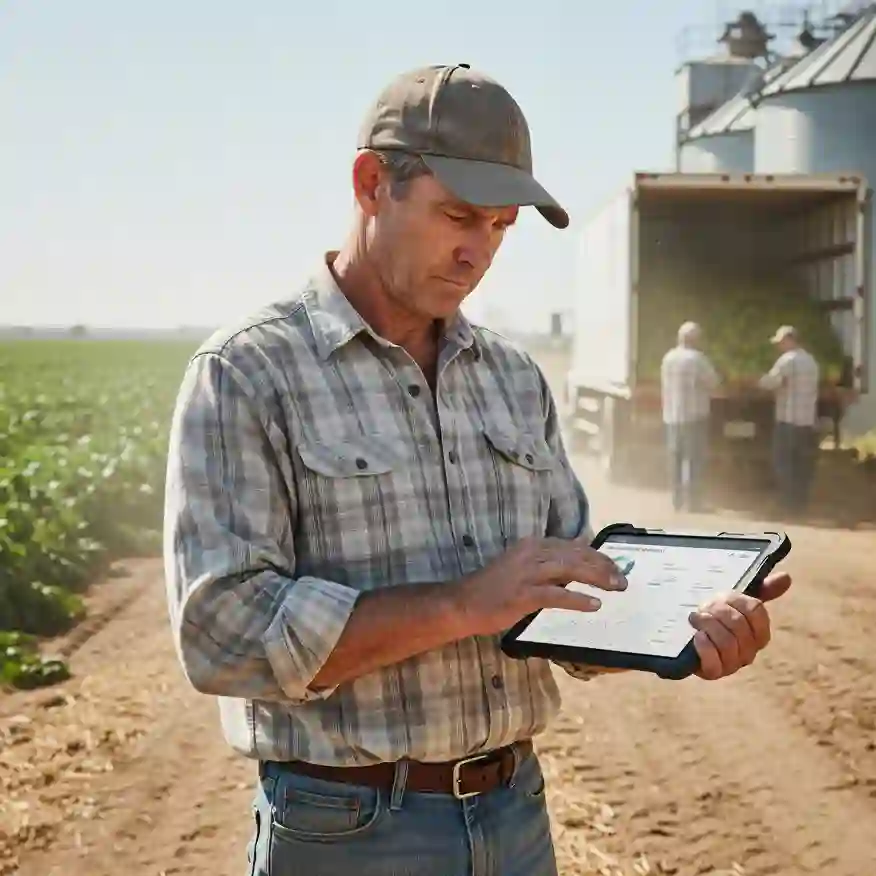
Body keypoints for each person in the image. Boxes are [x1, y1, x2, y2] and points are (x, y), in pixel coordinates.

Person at [163, 63, 793, 876]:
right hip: (346, 830)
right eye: (458, 215)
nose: (478, 252)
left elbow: (564, 600)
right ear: (369, 184)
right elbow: (222, 638)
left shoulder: (511, 376)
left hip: (515, 815)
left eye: (502, 226)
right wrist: (462, 604)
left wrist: (681, 625)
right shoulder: (248, 371)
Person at [659, 321, 721, 511]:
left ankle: (676, 501)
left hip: (672, 416)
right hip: (694, 416)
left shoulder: (668, 358)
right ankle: (694, 503)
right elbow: (713, 382)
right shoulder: (697, 359)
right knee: (693, 460)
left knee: (675, 459)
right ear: (695, 339)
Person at [758, 324, 820, 514]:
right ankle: (801, 505)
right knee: (802, 465)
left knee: (784, 463)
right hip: (807, 420)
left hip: (788, 420)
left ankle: (787, 504)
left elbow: (770, 383)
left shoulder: (788, 360)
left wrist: (759, 380)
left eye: (780, 342)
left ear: (789, 340)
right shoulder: (811, 361)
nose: (779, 346)